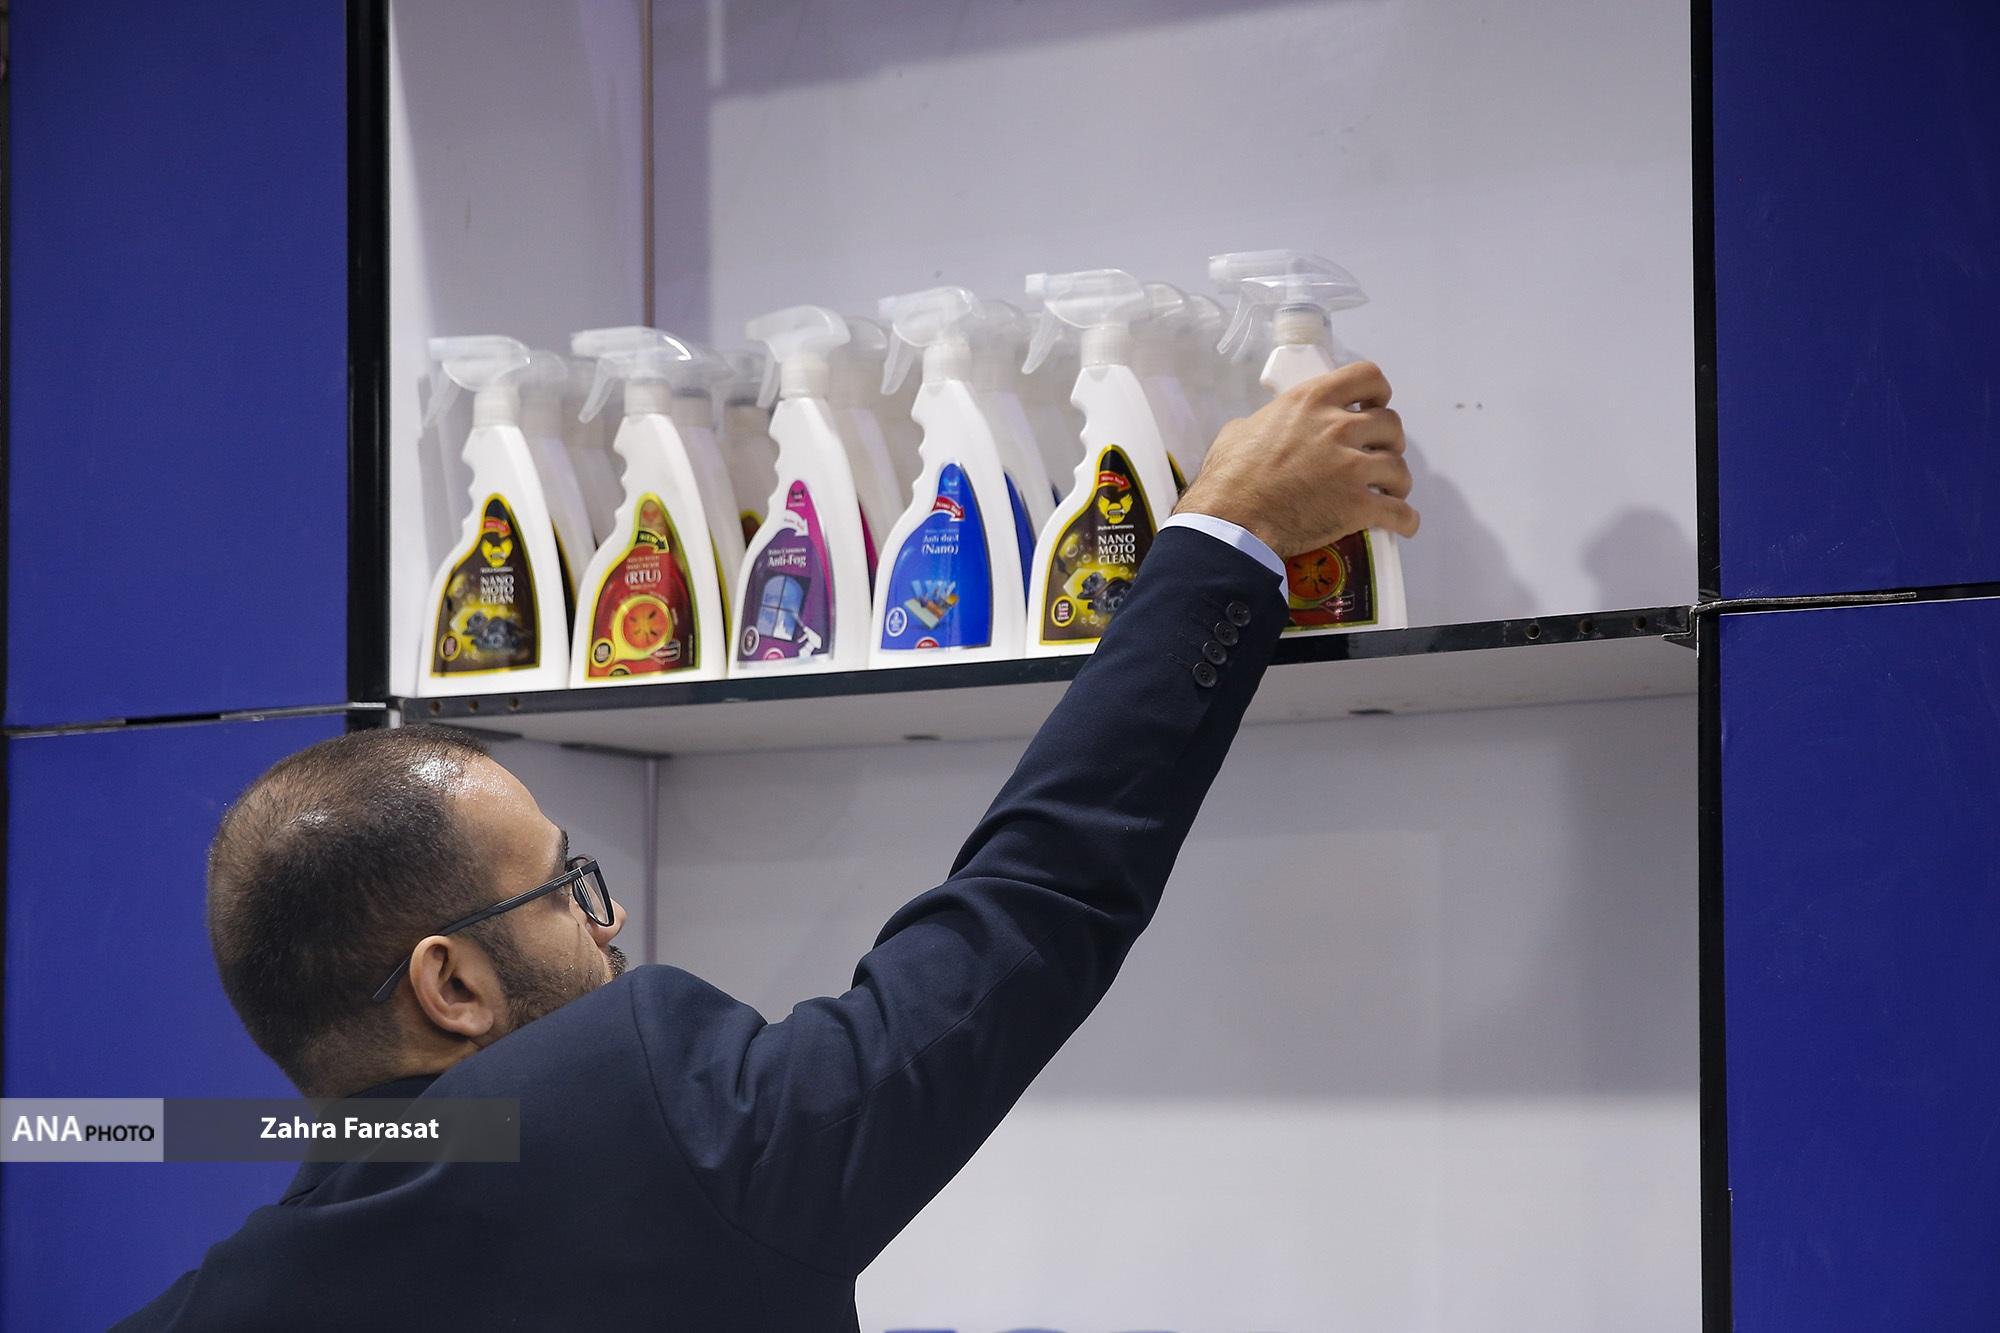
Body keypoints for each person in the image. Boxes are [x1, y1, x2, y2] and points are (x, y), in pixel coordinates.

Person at [118, 362, 1416, 1331]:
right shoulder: (640, 1124)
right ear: (450, 983)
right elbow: (1036, 899)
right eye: (568, 888)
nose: (611, 924)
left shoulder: (229, 1296)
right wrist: (1227, 530)